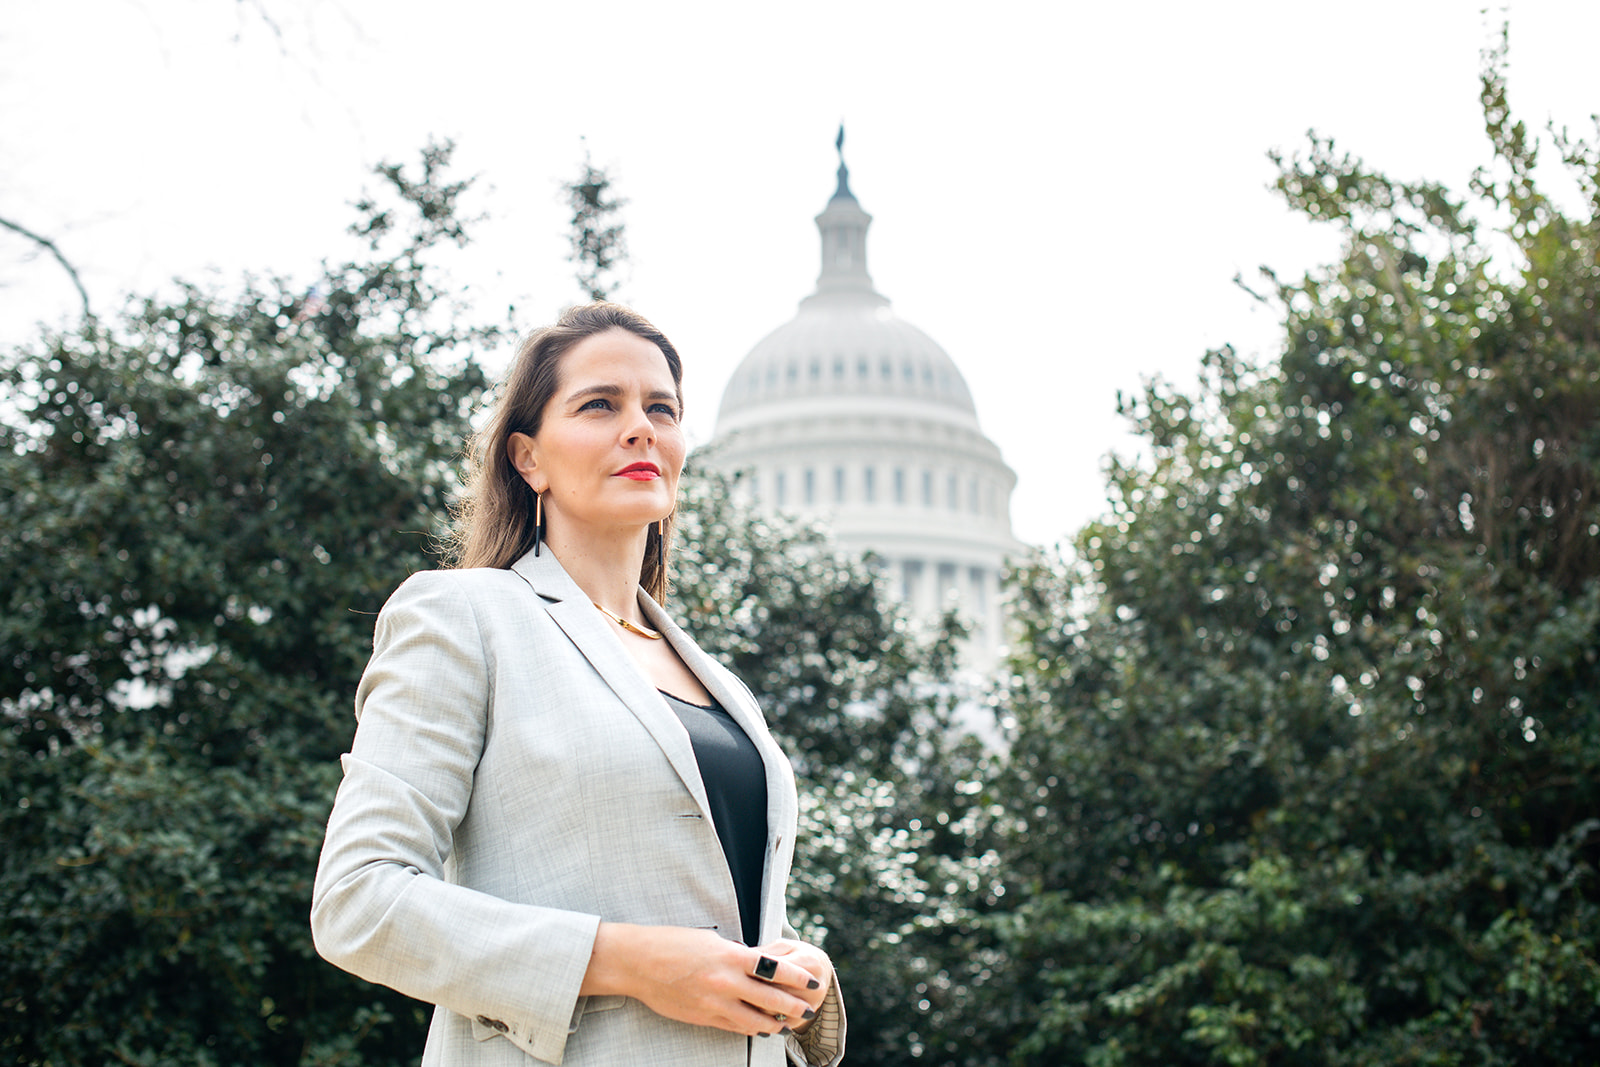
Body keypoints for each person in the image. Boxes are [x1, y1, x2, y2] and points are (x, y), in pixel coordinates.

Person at [311, 302, 845, 1066]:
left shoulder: (719, 683)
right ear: (528, 457)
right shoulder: (465, 615)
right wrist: (630, 962)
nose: (641, 427)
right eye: (601, 404)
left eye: (661, 408)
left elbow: (692, 908)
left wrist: (786, 970)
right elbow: (358, 902)